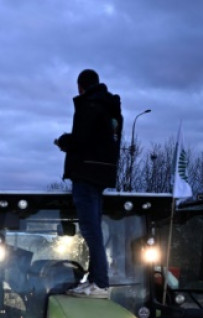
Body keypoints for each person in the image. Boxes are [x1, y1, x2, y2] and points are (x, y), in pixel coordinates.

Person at [54, 68, 123, 299]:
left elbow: (82, 140)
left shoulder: (89, 105)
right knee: (94, 228)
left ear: (80, 86)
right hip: (102, 174)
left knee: (90, 230)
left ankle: (100, 283)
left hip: (85, 172)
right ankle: (94, 280)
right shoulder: (111, 108)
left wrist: (64, 141)